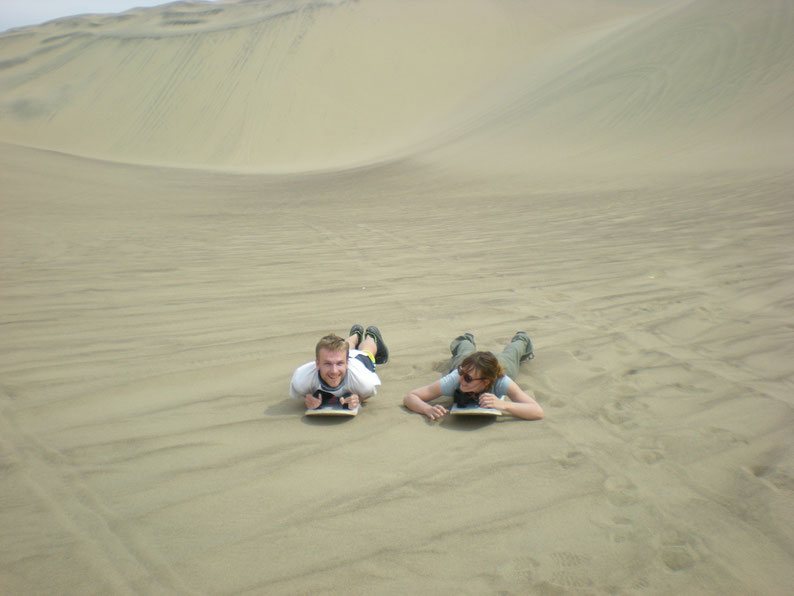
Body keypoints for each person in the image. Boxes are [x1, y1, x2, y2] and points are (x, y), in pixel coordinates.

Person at [403, 332, 543, 420]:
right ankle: (466, 339)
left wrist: (504, 405)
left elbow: (537, 411)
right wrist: (426, 408)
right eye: (462, 374)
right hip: (471, 362)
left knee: (512, 354)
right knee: (464, 351)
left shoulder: (502, 381)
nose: (461, 379)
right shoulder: (457, 377)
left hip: (499, 365)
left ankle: (522, 338)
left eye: (468, 378)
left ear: (486, 382)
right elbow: (410, 397)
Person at [290, 325, 389, 411]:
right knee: (344, 347)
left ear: (347, 364)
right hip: (341, 355)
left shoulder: (363, 381)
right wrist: (308, 398)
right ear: (317, 364)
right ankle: (355, 335)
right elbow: (302, 393)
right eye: (327, 364)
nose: (334, 371)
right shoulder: (301, 379)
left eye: (339, 364)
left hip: (359, 361)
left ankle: (371, 336)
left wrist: (358, 399)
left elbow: (370, 391)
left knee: (367, 351)